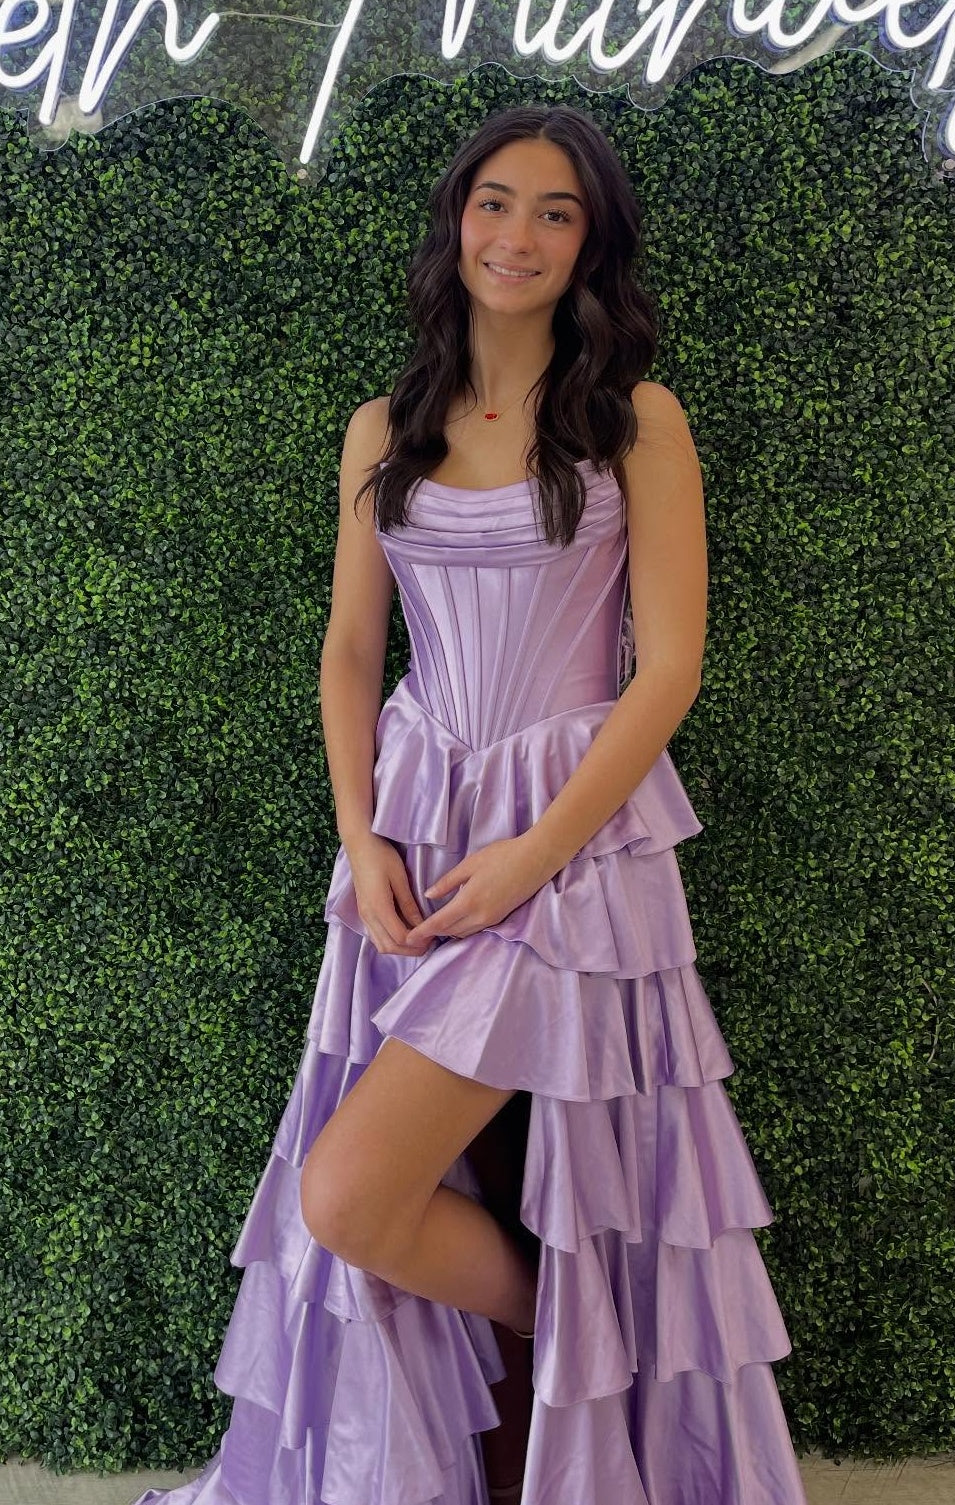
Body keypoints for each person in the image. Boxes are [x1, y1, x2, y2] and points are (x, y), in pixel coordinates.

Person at [133, 103, 808, 1505]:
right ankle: (565, 1378)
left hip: (575, 860)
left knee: (350, 1192)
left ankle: (596, 1348)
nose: (519, 234)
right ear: (456, 221)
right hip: (419, 842)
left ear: (590, 246)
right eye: (497, 202)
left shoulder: (635, 421)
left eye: (557, 212)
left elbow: (669, 667)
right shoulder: (384, 428)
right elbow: (348, 649)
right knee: (417, 1186)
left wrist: (534, 855)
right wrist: (360, 832)